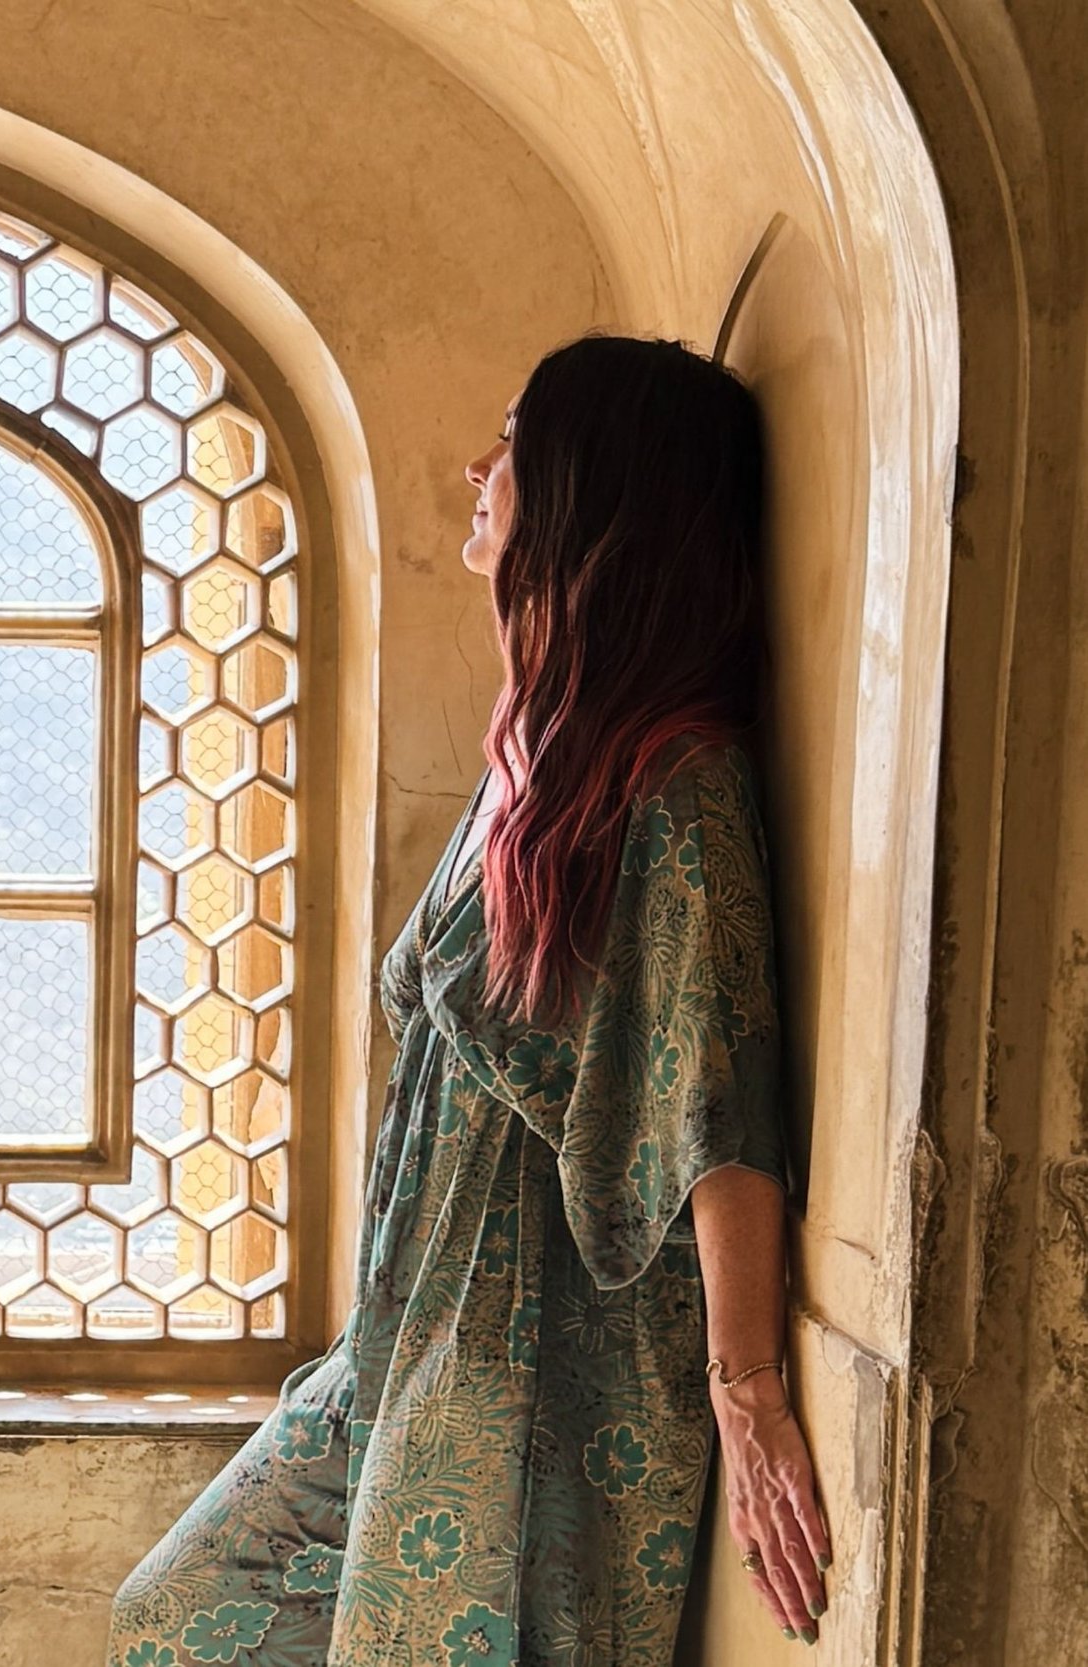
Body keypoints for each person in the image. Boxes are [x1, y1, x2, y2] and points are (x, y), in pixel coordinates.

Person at [106, 336, 829, 1666]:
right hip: (402, 1335)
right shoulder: (538, 755)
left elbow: (722, 1095)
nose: (476, 470)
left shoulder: (678, 787)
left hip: (529, 1366)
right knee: (177, 1622)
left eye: (514, 442)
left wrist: (749, 1383)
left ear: (593, 493)